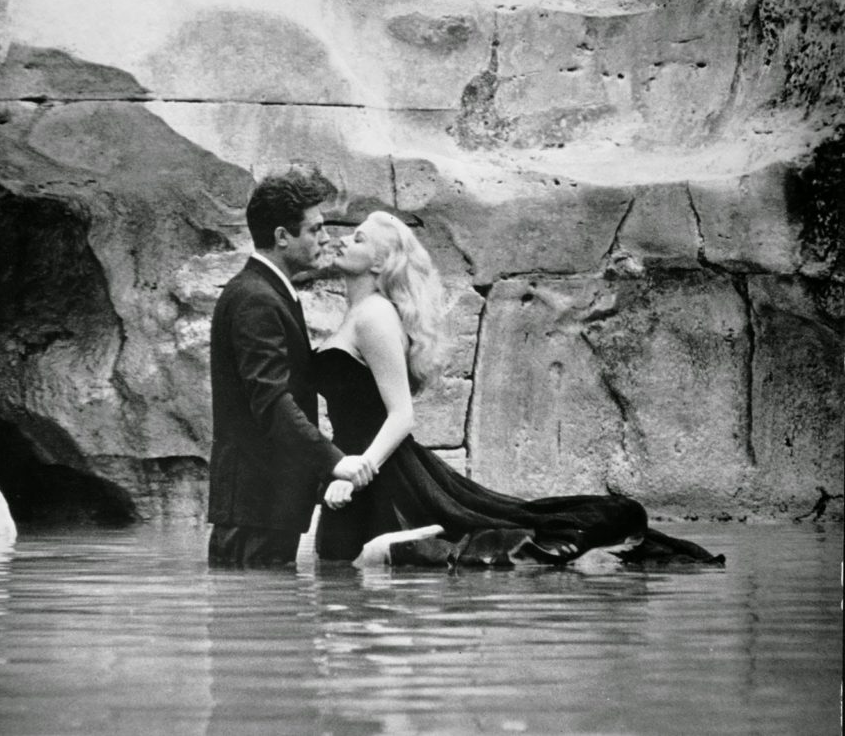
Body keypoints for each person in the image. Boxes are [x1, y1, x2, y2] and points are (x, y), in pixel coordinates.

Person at [313, 210, 724, 567]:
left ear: (380, 261)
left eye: (358, 237)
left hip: (378, 472)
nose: (343, 239)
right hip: (364, 469)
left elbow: (402, 415)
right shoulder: (359, 313)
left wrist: (358, 473)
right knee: (340, 560)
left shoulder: (373, 316)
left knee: (372, 559)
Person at [207, 167, 376, 568]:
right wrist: (335, 460)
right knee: (257, 622)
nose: (325, 238)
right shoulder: (257, 298)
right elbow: (271, 401)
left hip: (263, 505)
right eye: (314, 229)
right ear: (282, 236)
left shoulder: (268, 291)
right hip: (255, 508)